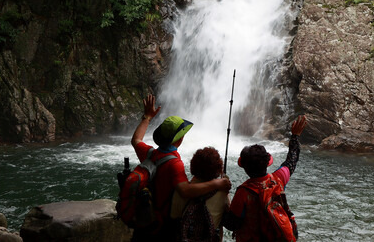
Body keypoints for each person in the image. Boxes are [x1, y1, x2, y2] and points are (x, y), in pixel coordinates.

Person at [131, 95, 231, 242]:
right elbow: (185, 191)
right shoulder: (175, 164)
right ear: (179, 139)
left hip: (146, 216)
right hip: (163, 224)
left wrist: (147, 117)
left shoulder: (150, 153)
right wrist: (217, 183)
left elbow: (136, 140)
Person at [223, 115, 307, 242]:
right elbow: (292, 160)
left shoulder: (243, 193)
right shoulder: (279, 179)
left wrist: (224, 198)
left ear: (245, 168)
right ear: (268, 163)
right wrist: (295, 136)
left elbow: (232, 224)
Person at [173, 147, 230, 241]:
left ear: (193, 166)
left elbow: (174, 219)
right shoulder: (222, 194)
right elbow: (229, 219)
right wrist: (225, 190)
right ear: (219, 168)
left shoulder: (181, 191)